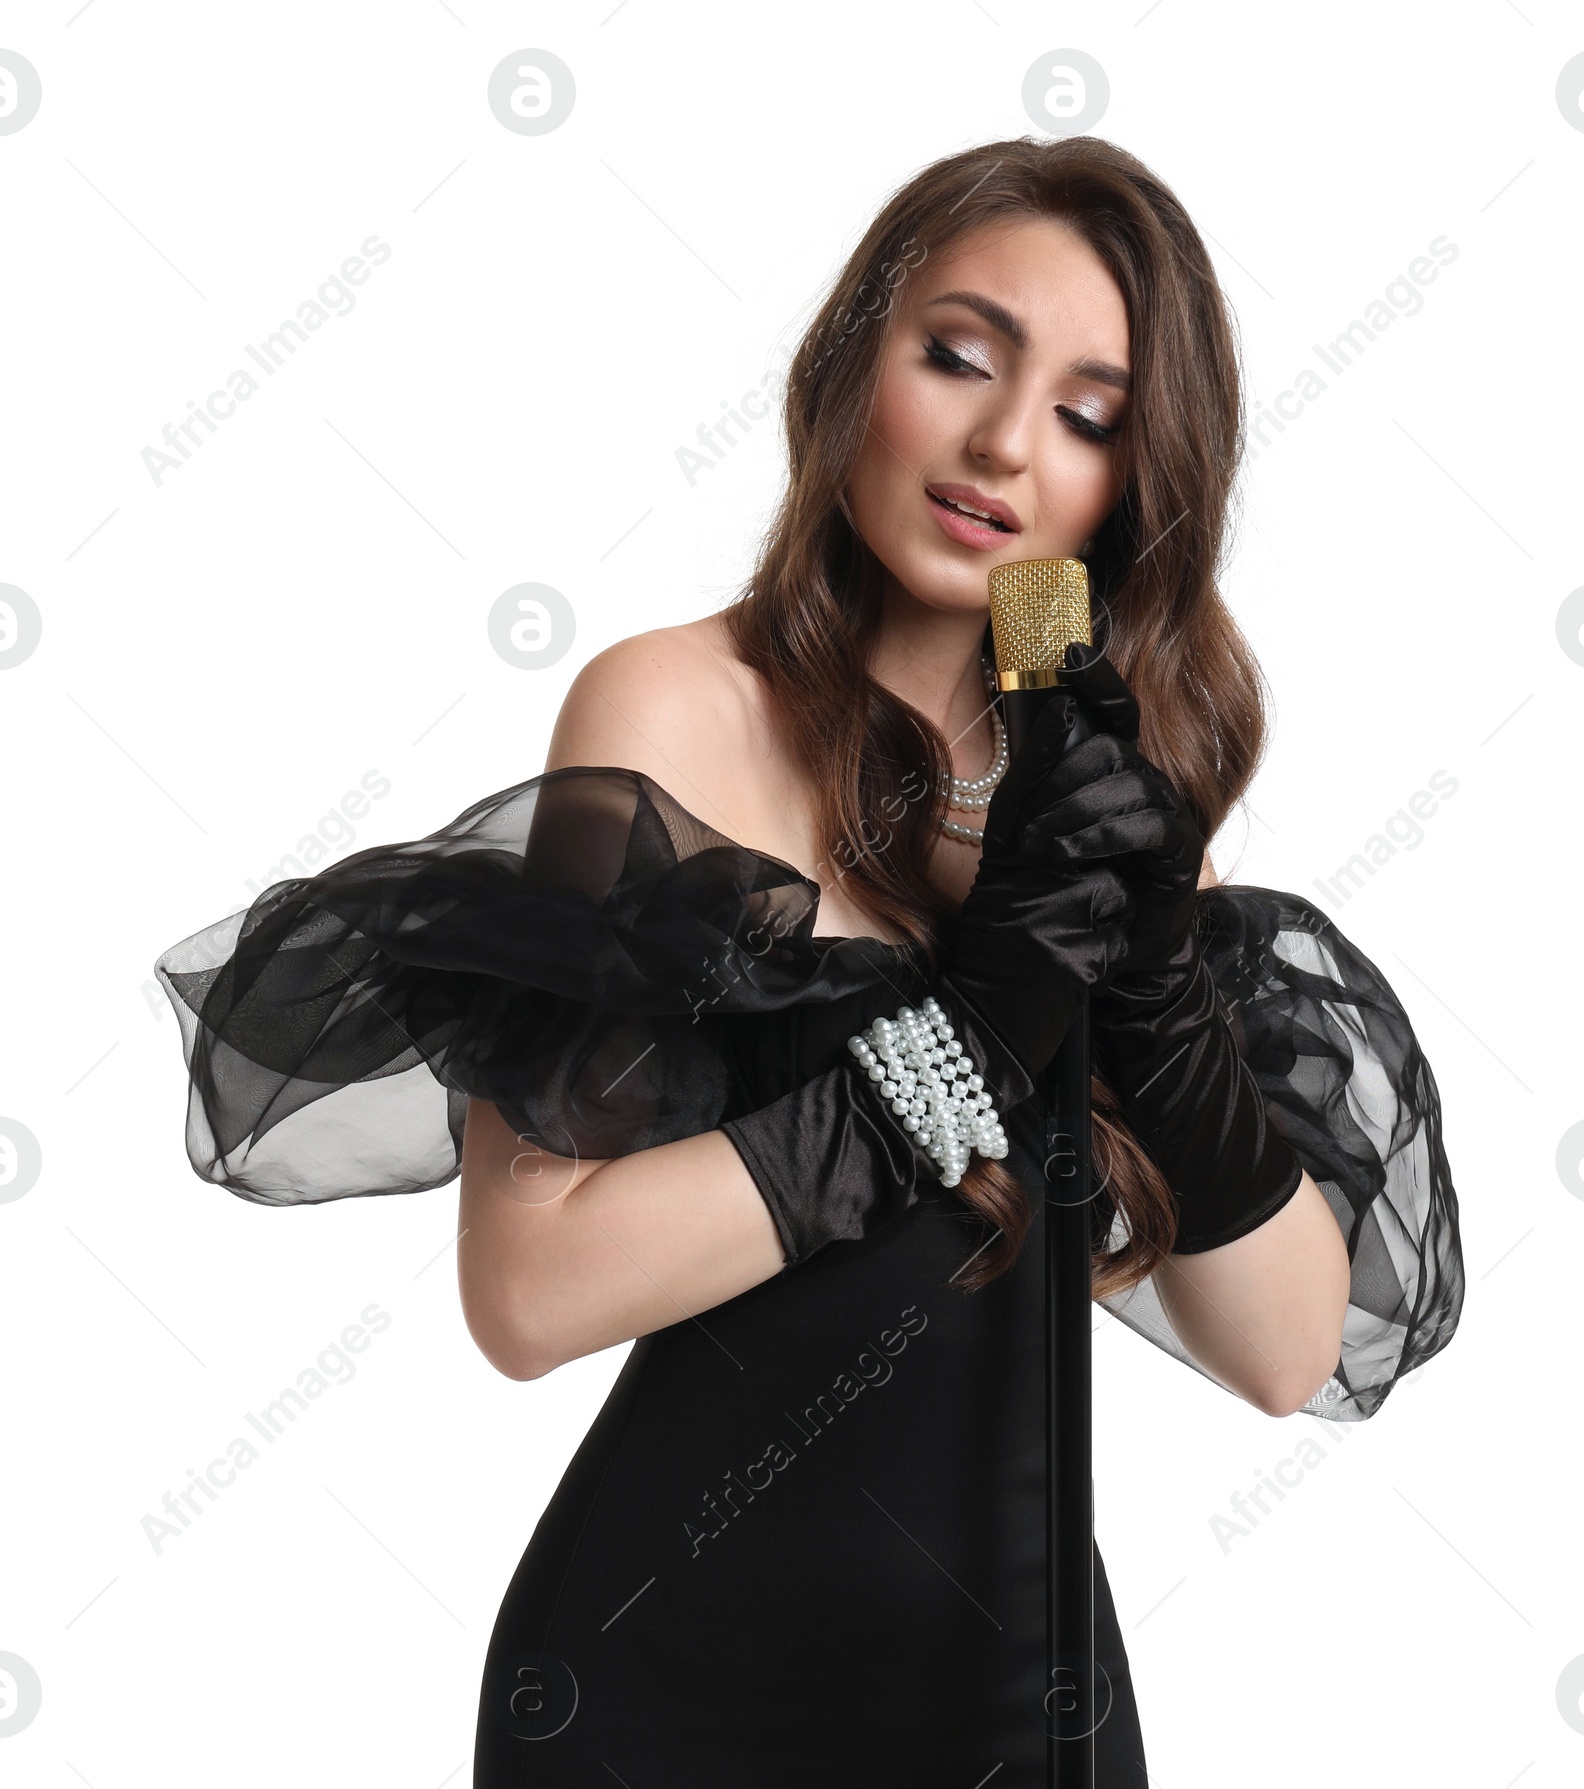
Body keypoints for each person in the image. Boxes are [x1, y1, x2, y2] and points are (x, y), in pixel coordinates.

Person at [154, 136, 1464, 1784]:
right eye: (960, 355)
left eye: (1087, 414)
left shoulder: (1112, 818)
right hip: (661, 1695)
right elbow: (529, 1290)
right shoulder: (668, 715)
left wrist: (1142, 976)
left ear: (1133, 488)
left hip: (1024, 1712)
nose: (1002, 442)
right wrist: (967, 1042)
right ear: (857, 360)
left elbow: (1285, 1352)